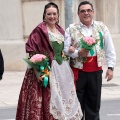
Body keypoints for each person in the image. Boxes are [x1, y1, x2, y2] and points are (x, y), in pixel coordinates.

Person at [16, 2, 83, 120]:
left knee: (64, 101)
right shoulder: (39, 30)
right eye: (49, 14)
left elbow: (66, 49)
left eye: (54, 14)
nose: (52, 16)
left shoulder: (61, 30)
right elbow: (32, 51)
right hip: (46, 70)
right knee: (47, 102)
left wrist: (71, 49)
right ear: (44, 15)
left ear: (58, 15)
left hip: (62, 71)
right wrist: (39, 72)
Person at [64, 1, 116, 120]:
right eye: (83, 11)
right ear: (78, 14)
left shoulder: (102, 27)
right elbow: (66, 50)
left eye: (88, 10)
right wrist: (78, 53)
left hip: (95, 72)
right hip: (78, 72)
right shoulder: (71, 29)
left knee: (93, 105)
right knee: (77, 106)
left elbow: (109, 48)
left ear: (93, 12)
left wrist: (110, 67)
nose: (86, 13)